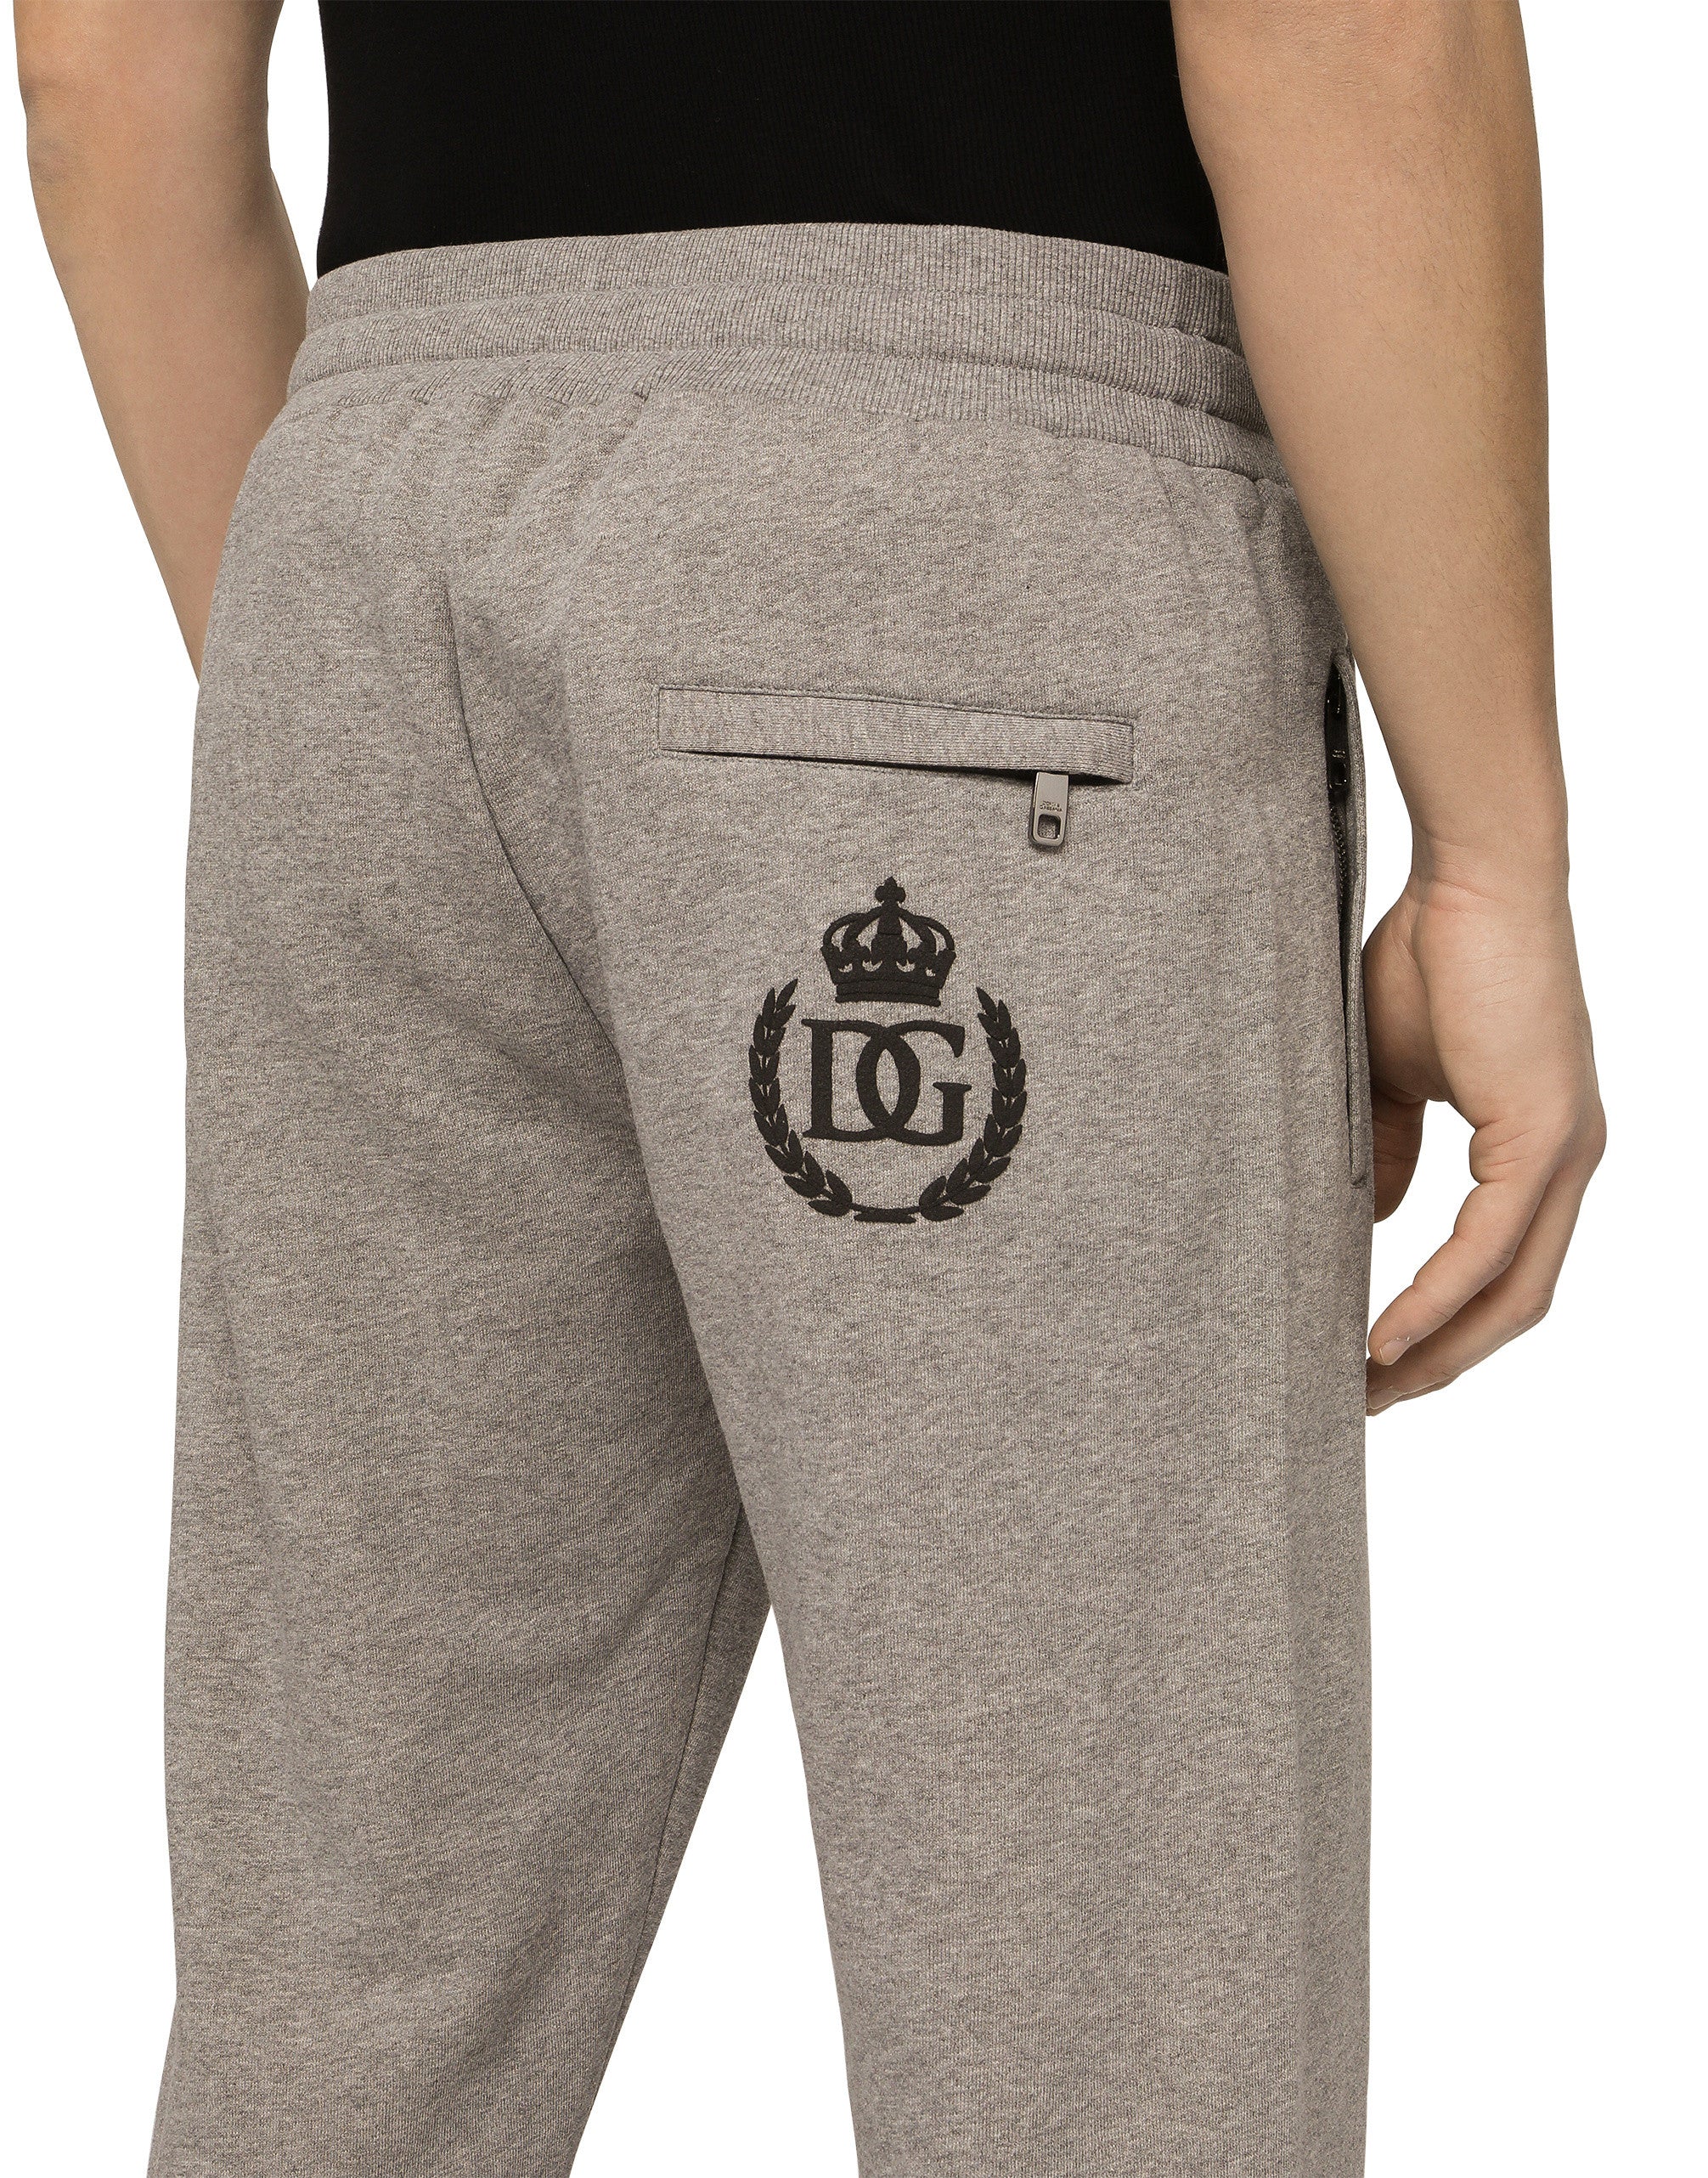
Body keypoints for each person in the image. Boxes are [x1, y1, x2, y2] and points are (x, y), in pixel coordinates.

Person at [18, 3, 1604, 2173]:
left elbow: (100, 79)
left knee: (358, 1962)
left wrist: (389, 728)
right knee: (1092, 1982)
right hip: (952, 534)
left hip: (364, 538)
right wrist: (1492, 853)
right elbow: (1345, 39)